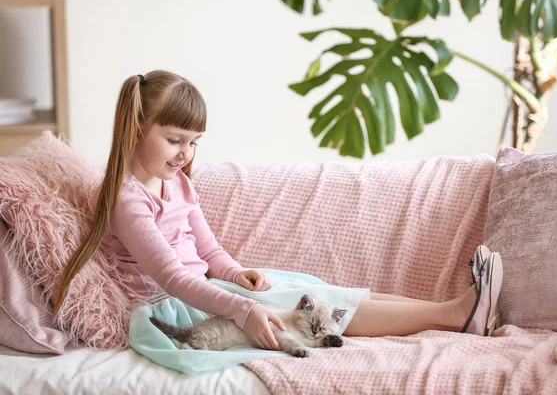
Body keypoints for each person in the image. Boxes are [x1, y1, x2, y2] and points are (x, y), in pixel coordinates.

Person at [54, 70, 503, 352]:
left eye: (193, 143)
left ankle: (454, 308)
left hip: (206, 288)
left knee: (317, 289)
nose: (184, 154)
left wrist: (234, 272)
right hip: (177, 307)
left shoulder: (179, 182)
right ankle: (455, 315)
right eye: (174, 140)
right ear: (135, 128)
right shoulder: (127, 200)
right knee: (309, 307)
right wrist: (241, 309)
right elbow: (173, 278)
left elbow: (207, 249)